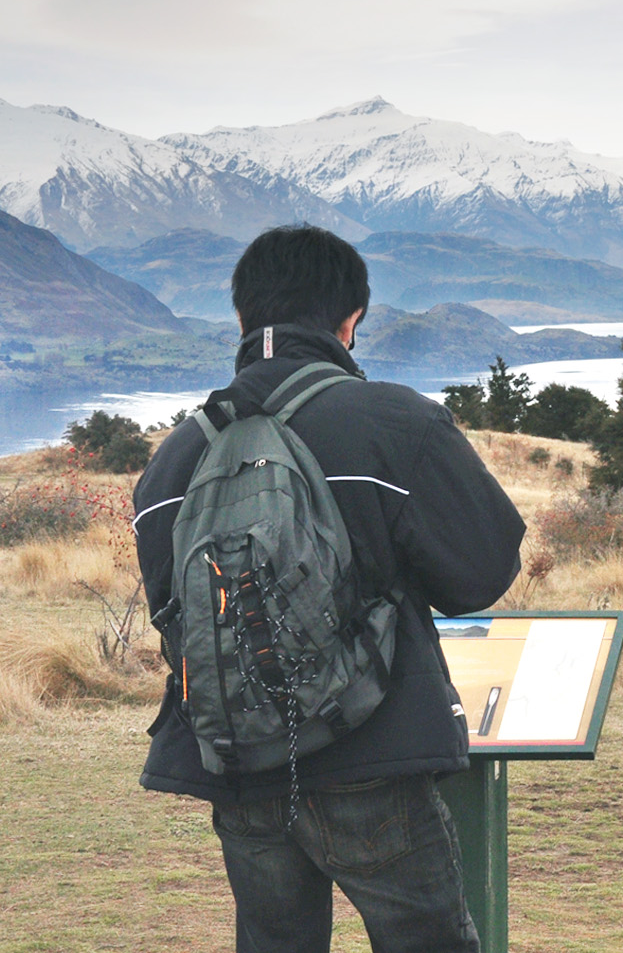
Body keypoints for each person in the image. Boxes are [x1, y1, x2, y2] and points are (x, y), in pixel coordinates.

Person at [133, 225, 525, 953]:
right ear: (351, 322)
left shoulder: (176, 459)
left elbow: (171, 612)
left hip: (237, 760)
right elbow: (481, 573)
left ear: (243, 320)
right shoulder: (396, 423)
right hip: (371, 751)